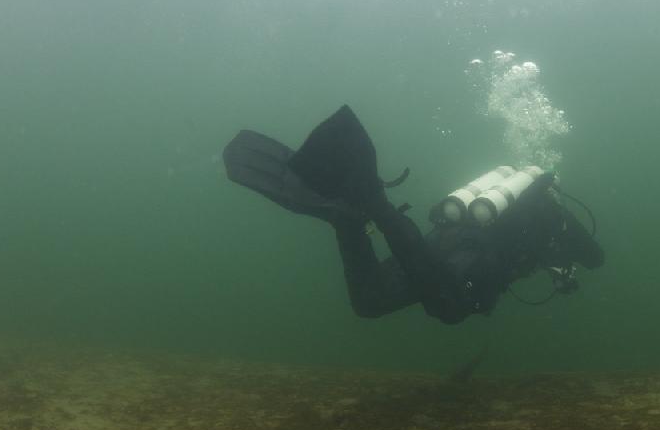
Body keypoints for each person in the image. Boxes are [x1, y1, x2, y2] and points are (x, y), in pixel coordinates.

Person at [222, 105, 604, 324]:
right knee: (449, 307)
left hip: (442, 238)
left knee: (370, 302)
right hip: (474, 261)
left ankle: (347, 219)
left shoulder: (508, 201)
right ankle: (375, 206)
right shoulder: (554, 215)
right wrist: (563, 255)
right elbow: (595, 259)